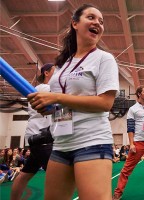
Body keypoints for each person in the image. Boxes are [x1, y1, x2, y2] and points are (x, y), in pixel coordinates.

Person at [27, 4, 119, 200]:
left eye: (101, 22)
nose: (98, 24)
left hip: (92, 142)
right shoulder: (63, 65)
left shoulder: (104, 59)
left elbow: (105, 103)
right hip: (61, 144)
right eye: (92, 18)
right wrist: (49, 107)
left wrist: (56, 97)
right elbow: (63, 104)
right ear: (75, 23)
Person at [11, 63, 55, 200]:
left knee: (25, 174)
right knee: (57, 176)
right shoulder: (45, 88)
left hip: (37, 136)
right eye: (55, 71)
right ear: (46, 73)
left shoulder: (36, 89)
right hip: (42, 137)